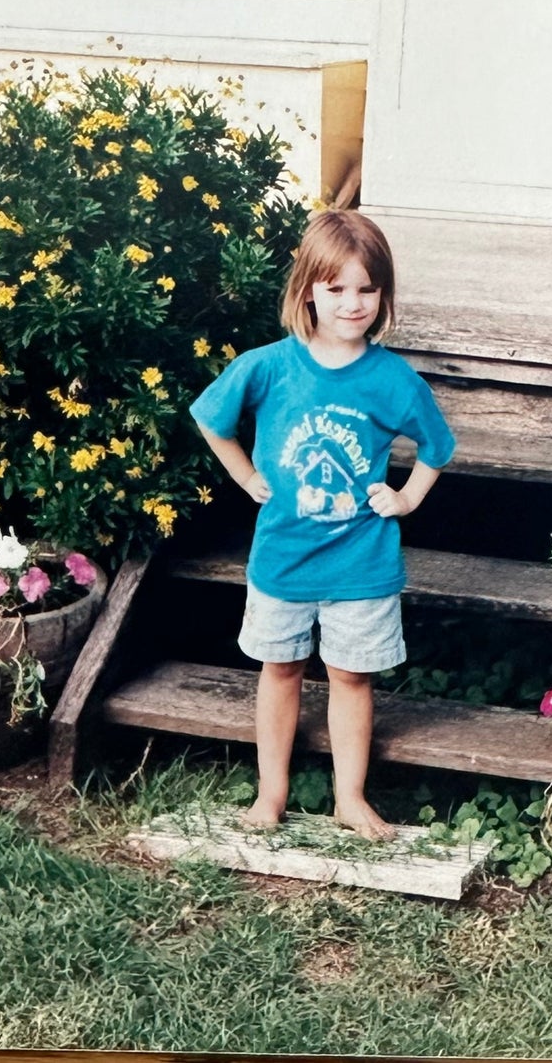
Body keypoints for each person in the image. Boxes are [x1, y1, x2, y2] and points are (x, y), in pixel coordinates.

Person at [190, 210, 455, 838]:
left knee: (350, 678)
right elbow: (211, 416)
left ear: (383, 294)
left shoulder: (391, 378)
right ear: (308, 289)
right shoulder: (270, 366)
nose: (352, 303)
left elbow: (437, 446)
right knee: (280, 670)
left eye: (367, 288)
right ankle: (271, 795)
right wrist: (245, 475)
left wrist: (407, 498)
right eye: (337, 288)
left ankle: (350, 798)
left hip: (361, 563)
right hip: (283, 559)